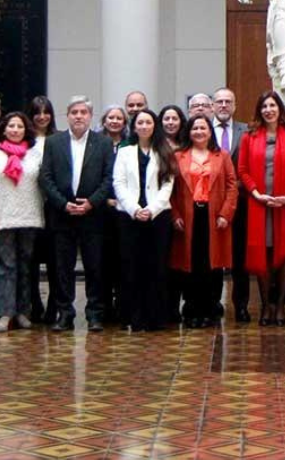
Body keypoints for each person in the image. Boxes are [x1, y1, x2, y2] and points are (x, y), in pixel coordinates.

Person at [40, 96, 115, 332]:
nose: (79, 116)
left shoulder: (102, 143)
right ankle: (65, 313)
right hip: (62, 215)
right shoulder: (54, 142)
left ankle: (94, 313)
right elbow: (46, 177)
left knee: (95, 267)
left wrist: (91, 203)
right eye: (74, 112)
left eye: (83, 112)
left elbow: (108, 178)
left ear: (90, 116)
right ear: (67, 115)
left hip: (93, 216)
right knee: (63, 267)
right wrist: (63, 204)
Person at [238, 91, 285, 326]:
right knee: (262, 254)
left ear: (280, 109)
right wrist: (256, 193)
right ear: (259, 110)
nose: (268, 110)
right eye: (264, 106)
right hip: (258, 204)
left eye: (272, 105)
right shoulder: (250, 137)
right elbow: (243, 170)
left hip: (283, 205)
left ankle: (280, 307)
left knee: (283, 256)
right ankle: (266, 305)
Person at [170, 114, 238, 328]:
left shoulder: (222, 156)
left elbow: (231, 186)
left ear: (210, 132)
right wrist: (175, 215)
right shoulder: (178, 156)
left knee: (212, 263)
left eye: (203, 128)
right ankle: (191, 309)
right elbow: (169, 190)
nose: (199, 131)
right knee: (190, 263)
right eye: (195, 128)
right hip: (188, 216)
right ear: (188, 132)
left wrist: (225, 214)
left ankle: (210, 309)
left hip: (214, 216)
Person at [0, 111, 44, 333]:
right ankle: (5, 313)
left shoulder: (35, 156)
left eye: (20, 126)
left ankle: (23, 312)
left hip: (30, 218)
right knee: (5, 267)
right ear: (4, 130)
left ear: (26, 130)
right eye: (11, 126)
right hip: (2, 218)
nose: (15, 130)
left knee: (26, 267)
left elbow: (43, 185)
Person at [114, 109, 176, 332]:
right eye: (140, 122)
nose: (144, 126)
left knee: (156, 266)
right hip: (129, 217)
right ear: (134, 126)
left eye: (148, 122)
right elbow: (118, 183)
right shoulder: (124, 152)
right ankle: (134, 317)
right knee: (132, 267)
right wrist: (134, 209)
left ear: (154, 126)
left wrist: (151, 209)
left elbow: (168, 184)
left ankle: (155, 317)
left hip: (158, 217)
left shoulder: (164, 151)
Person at [213, 87, 250, 322]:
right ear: (213, 106)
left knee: (240, 258)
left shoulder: (246, 131)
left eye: (229, 101)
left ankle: (241, 306)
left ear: (235, 106)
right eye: (220, 102)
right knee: (213, 256)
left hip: (242, 203)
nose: (224, 105)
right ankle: (214, 304)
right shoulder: (201, 131)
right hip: (211, 203)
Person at [27, 95, 58, 322]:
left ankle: (53, 306)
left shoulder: (59, 140)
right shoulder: (23, 142)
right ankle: (34, 304)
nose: (41, 117)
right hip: (28, 207)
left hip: (53, 208)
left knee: (55, 261)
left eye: (46, 112)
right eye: (37, 112)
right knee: (30, 261)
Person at [98, 104, 128, 324]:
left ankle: (122, 307)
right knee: (103, 261)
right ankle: (104, 307)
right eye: (111, 117)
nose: (115, 121)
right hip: (101, 211)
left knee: (123, 259)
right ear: (104, 120)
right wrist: (105, 199)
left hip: (126, 211)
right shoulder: (97, 143)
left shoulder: (131, 144)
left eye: (119, 118)